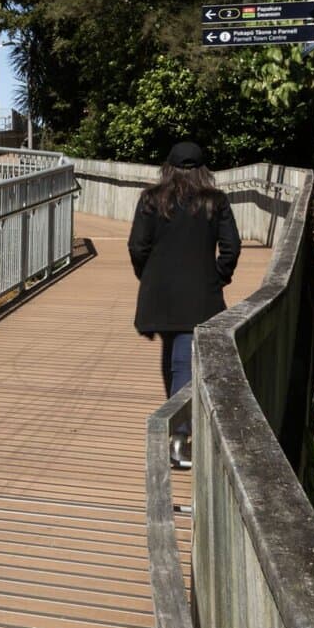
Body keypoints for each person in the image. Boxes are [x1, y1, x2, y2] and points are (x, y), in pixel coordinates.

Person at [128, 141, 241, 461]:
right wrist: (218, 277)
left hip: (159, 294)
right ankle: (179, 438)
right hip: (199, 296)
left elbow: (137, 246)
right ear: (203, 170)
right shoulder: (215, 201)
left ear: (169, 167)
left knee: (173, 355)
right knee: (181, 360)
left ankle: (177, 430)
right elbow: (231, 247)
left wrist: (148, 277)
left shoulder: (151, 199)